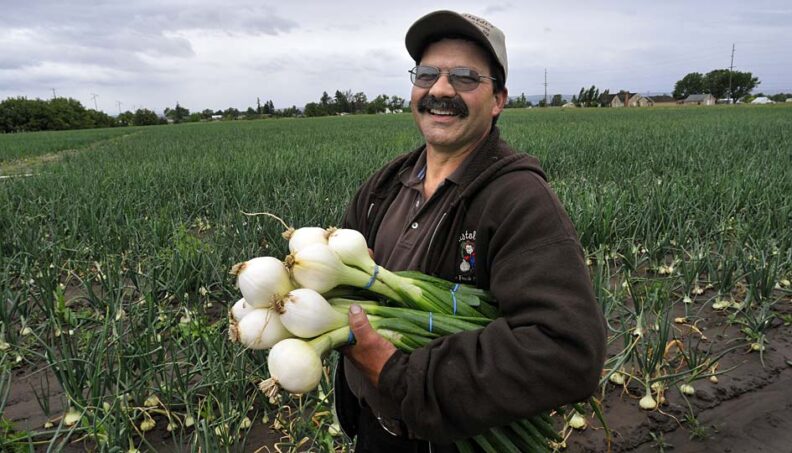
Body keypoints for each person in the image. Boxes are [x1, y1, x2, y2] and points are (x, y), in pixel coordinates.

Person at [336, 10, 606, 452]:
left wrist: (397, 375)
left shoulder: (518, 200)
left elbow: (566, 352)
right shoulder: (385, 185)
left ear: (498, 99)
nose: (440, 89)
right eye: (427, 74)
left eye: (464, 77)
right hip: (373, 430)